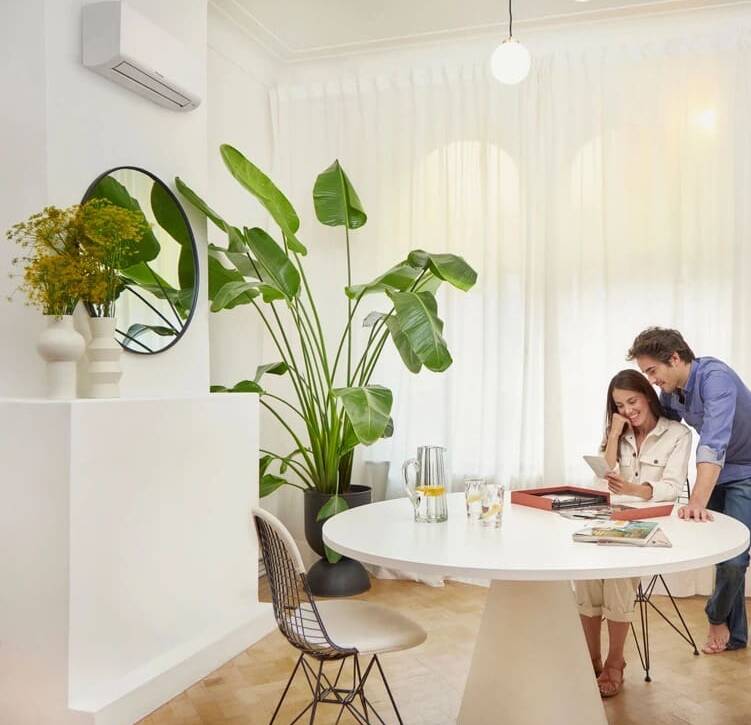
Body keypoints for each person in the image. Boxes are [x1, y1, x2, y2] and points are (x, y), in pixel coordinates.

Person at [628, 327, 751, 654]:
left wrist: (697, 500)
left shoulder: (716, 379)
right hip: (719, 472)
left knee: (736, 557)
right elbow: (663, 426)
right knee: (723, 552)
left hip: (746, 469)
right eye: (646, 374)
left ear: (675, 358)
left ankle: (715, 615)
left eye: (653, 371)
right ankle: (735, 635)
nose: (652, 379)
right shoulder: (672, 392)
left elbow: (713, 441)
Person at [576, 369, 691, 697]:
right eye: (619, 405)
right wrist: (614, 433)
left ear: (648, 396)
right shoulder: (621, 433)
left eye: (632, 401)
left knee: (616, 575)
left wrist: (633, 489)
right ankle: (590, 657)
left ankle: (615, 662)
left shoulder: (677, 435)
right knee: (585, 571)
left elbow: (669, 488)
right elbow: (604, 477)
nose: (627, 410)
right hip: (610, 517)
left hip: (651, 522)